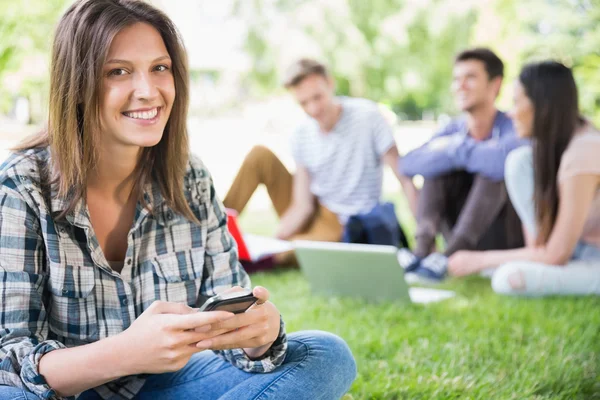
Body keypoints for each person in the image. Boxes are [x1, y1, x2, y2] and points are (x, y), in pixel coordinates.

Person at [0, 1, 356, 399]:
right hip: (66, 392)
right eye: (118, 71)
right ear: (77, 84)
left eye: (160, 68)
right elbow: (9, 357)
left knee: (325, 354)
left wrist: (258, 337)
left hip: (168, 388)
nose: (148, 91)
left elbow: (230, 319)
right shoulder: (21, 185)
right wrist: (127, 353)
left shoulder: (189, 178)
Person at [222, 58, 418, 266]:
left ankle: (256, 258)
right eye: (304, 103)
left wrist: (425, 239)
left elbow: (404, 179)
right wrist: (275, 240)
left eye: (317, 97)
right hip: (313, 209)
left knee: (288, 256)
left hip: (345, 223)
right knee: (259, 155)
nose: (313, 109)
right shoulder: (302, 134)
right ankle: (215, 231)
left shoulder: (368, 117)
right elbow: (302, 205)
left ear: (330, 84)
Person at [448, 61, 600, 296]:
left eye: (517, 101)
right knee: (519, 160)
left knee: (508, 279)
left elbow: (555, 255)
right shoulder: (545, 152)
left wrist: (479, 260)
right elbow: (541, 248)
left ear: (542, 106)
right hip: (578, 252)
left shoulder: (584, 151)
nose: (511, 112)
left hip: (591, 259)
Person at [397, 48, 527, 283]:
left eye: (470, 78)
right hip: (456, 225)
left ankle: (449, 256)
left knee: (492, 171)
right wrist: (461, 151)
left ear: (495, 85)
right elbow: (407, 164)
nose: (460, 86)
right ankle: (423, 249)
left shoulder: (513, 125)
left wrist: (454, 149)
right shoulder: (453, 129)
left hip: (503, 237)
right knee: (435, 169)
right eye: (456, 79)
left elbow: (500, 164)